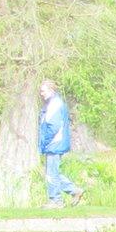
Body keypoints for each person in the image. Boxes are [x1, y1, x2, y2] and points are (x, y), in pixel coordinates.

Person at [38, 80, 79, 208]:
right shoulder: (51, 103)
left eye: (43, 91)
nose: (41, 94)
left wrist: (45, 142)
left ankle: (56, 200)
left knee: (51, 174)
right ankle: (74, 191)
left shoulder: (54, 104)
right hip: (54, 143)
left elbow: (53, 126)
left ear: (51, 91)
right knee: (52, 172)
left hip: (54, 143)